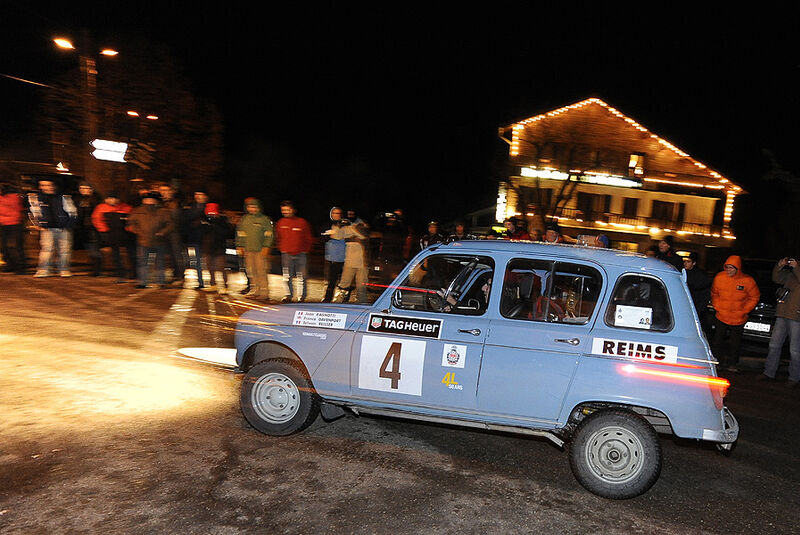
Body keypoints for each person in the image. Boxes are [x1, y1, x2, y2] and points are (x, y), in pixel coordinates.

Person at [710, 255, 760, 372]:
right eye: (727, 267)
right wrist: (717, 307)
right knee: (717, 340)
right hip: (721, 315)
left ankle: (732, 364)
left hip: (738, 318)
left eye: (732, 268)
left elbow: (754, 297)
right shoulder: (719, 277)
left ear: (738, 268)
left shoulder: (748, 281)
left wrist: (744, 310)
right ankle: (716, 362)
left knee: (735, 343)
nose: (729, 270)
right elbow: (714, 293)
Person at [760, 257, 800, 387]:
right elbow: (776, 278)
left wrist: (796, 268)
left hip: (797, 316)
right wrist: (780, 265)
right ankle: (769, 372)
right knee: (774, 345)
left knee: (795, 349)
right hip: (782, 313)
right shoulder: (791, 275)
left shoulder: (797, 272)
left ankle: (794, 377)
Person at [28, 179, 77, 277]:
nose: (45, 187)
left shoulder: (63, 197)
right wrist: (38, 224)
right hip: (46, 228)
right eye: (42, 185)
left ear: (53, 186)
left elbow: (72, 211)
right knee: (47, 249)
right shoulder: (36, 197)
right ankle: (43, 270)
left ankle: (63, 269)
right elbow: (34, 212)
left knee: (64, 250)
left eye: (48, 185)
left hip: (63, 228)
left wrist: (68, 225)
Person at [127, 192, 173, 288]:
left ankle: (161, 281)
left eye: (151, 199)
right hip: (143, 240)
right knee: (142, 262)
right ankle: (142, 282)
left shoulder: (163, 211)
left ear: (155, 201)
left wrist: (162, 232)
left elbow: (170, 224)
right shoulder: (137, 211)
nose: (149, 201)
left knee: (160, 262)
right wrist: (138, 231)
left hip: (159, 241)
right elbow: (130, 223)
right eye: (146, 199)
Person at [236, 198, 274, 299]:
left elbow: (269, 234)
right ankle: (256, 290)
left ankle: (264, 292)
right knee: (251, 271)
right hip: (248, 250)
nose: (252, 209)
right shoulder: (245, 219)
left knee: (261, 271)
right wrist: (240, 245)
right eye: (250, 207)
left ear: (258, 207)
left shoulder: (264, 220)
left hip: (260, 250)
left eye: (254, 207)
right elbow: (240, 233)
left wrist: (266, 246)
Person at [91, 192, 134, 281]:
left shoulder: (126, 207)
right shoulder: (101, 207)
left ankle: (134, 272)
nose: (112, 200)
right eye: (109, 198)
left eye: (114, 198)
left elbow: (132, 220)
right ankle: (120, 273)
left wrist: (129, 229)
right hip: (112, 233)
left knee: (132, 253)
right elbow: (97, 219)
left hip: (126, 233)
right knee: (115, 254)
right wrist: (104, 230)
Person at [275, 200, 312, 302]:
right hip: (286, 254)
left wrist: (305, 250)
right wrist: (282, 248)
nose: (285, 212)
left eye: (288, 209)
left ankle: (302, 297)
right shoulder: (281, 223)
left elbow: (308, 238)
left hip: (301, 254)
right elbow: (278, 237)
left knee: (302, 277)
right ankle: (288, 295)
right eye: (283, 210)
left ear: (293, 210)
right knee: (287, 276)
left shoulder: (302, 222)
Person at [333, 217, 370, 303]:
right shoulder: (345, 227)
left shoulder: (361, 225)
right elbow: (337, 236)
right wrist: (337, 225)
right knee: (344, 284)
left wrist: (352, 228)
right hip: (349, 261)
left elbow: (364, 236)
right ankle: (338, 302)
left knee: (361, 286)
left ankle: (362, 303)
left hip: (363, 262)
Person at [158, 184, 186, 285]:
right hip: (166, 233)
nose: (164, 192)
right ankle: (175, 275)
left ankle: (180, 277)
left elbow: (174, 220)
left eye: (166, 190)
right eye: (162, 190)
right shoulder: (162, 203)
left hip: (174, 233)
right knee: (170, 256)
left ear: (171, 192)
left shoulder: (174, 203)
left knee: (176, 255)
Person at [202, 203, 233, 294]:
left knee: (221, 268)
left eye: (212, 213)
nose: (211, 215)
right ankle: (213, 285)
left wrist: (215, 224)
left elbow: (227, 233)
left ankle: (225, 286)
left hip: (219, 248)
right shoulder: (204, 221)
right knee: (210, 268)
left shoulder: (222, 221)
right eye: (209, 213)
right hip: (208, 248)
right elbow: (201, 233)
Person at [75, 182, 103, 276]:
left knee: (94, 248)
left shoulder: (95, 200)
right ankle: (94, 267)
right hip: (84, 228)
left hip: (92, 228)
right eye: (81, 188)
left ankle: (97, 269)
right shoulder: (80, 200)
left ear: (91, 189)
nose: (83, 190)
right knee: (89, 248)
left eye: (85, 188)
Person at [183, 190, 209, 288]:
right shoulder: (191, 207)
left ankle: (209, 282)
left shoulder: (208, 207)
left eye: (200, 194)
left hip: (206, 239)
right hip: (194, 238)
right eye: (196, 194)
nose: (198, 196)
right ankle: (200, 282)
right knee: (196, 261)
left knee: (206, 262)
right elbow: (186, 219)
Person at [0, 183, 27, 274]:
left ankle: (13, 265)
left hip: (10, 223)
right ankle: (18, 266)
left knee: (8, 246)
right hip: (12, 222)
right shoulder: (17, 196)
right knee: (14, 246)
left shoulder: (12, 197)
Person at [322, 207, 346, 302]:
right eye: (334, 213)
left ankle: (341, 299)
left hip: (343, 257)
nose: (336, 215)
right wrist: (330, 235)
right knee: (330, 280)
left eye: (338, 213)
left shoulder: (345, 225)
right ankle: (327, 298)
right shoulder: (327, 225)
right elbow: (322, 237)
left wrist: (335, 235)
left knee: (343, 281)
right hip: (330, 257)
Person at [683, 252, 711, 323]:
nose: (685, 263)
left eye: (688, 262)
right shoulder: (684, 273)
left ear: (694, 263)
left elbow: (702, 292)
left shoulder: (700, 276)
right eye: (685, 261)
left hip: (696, 307)